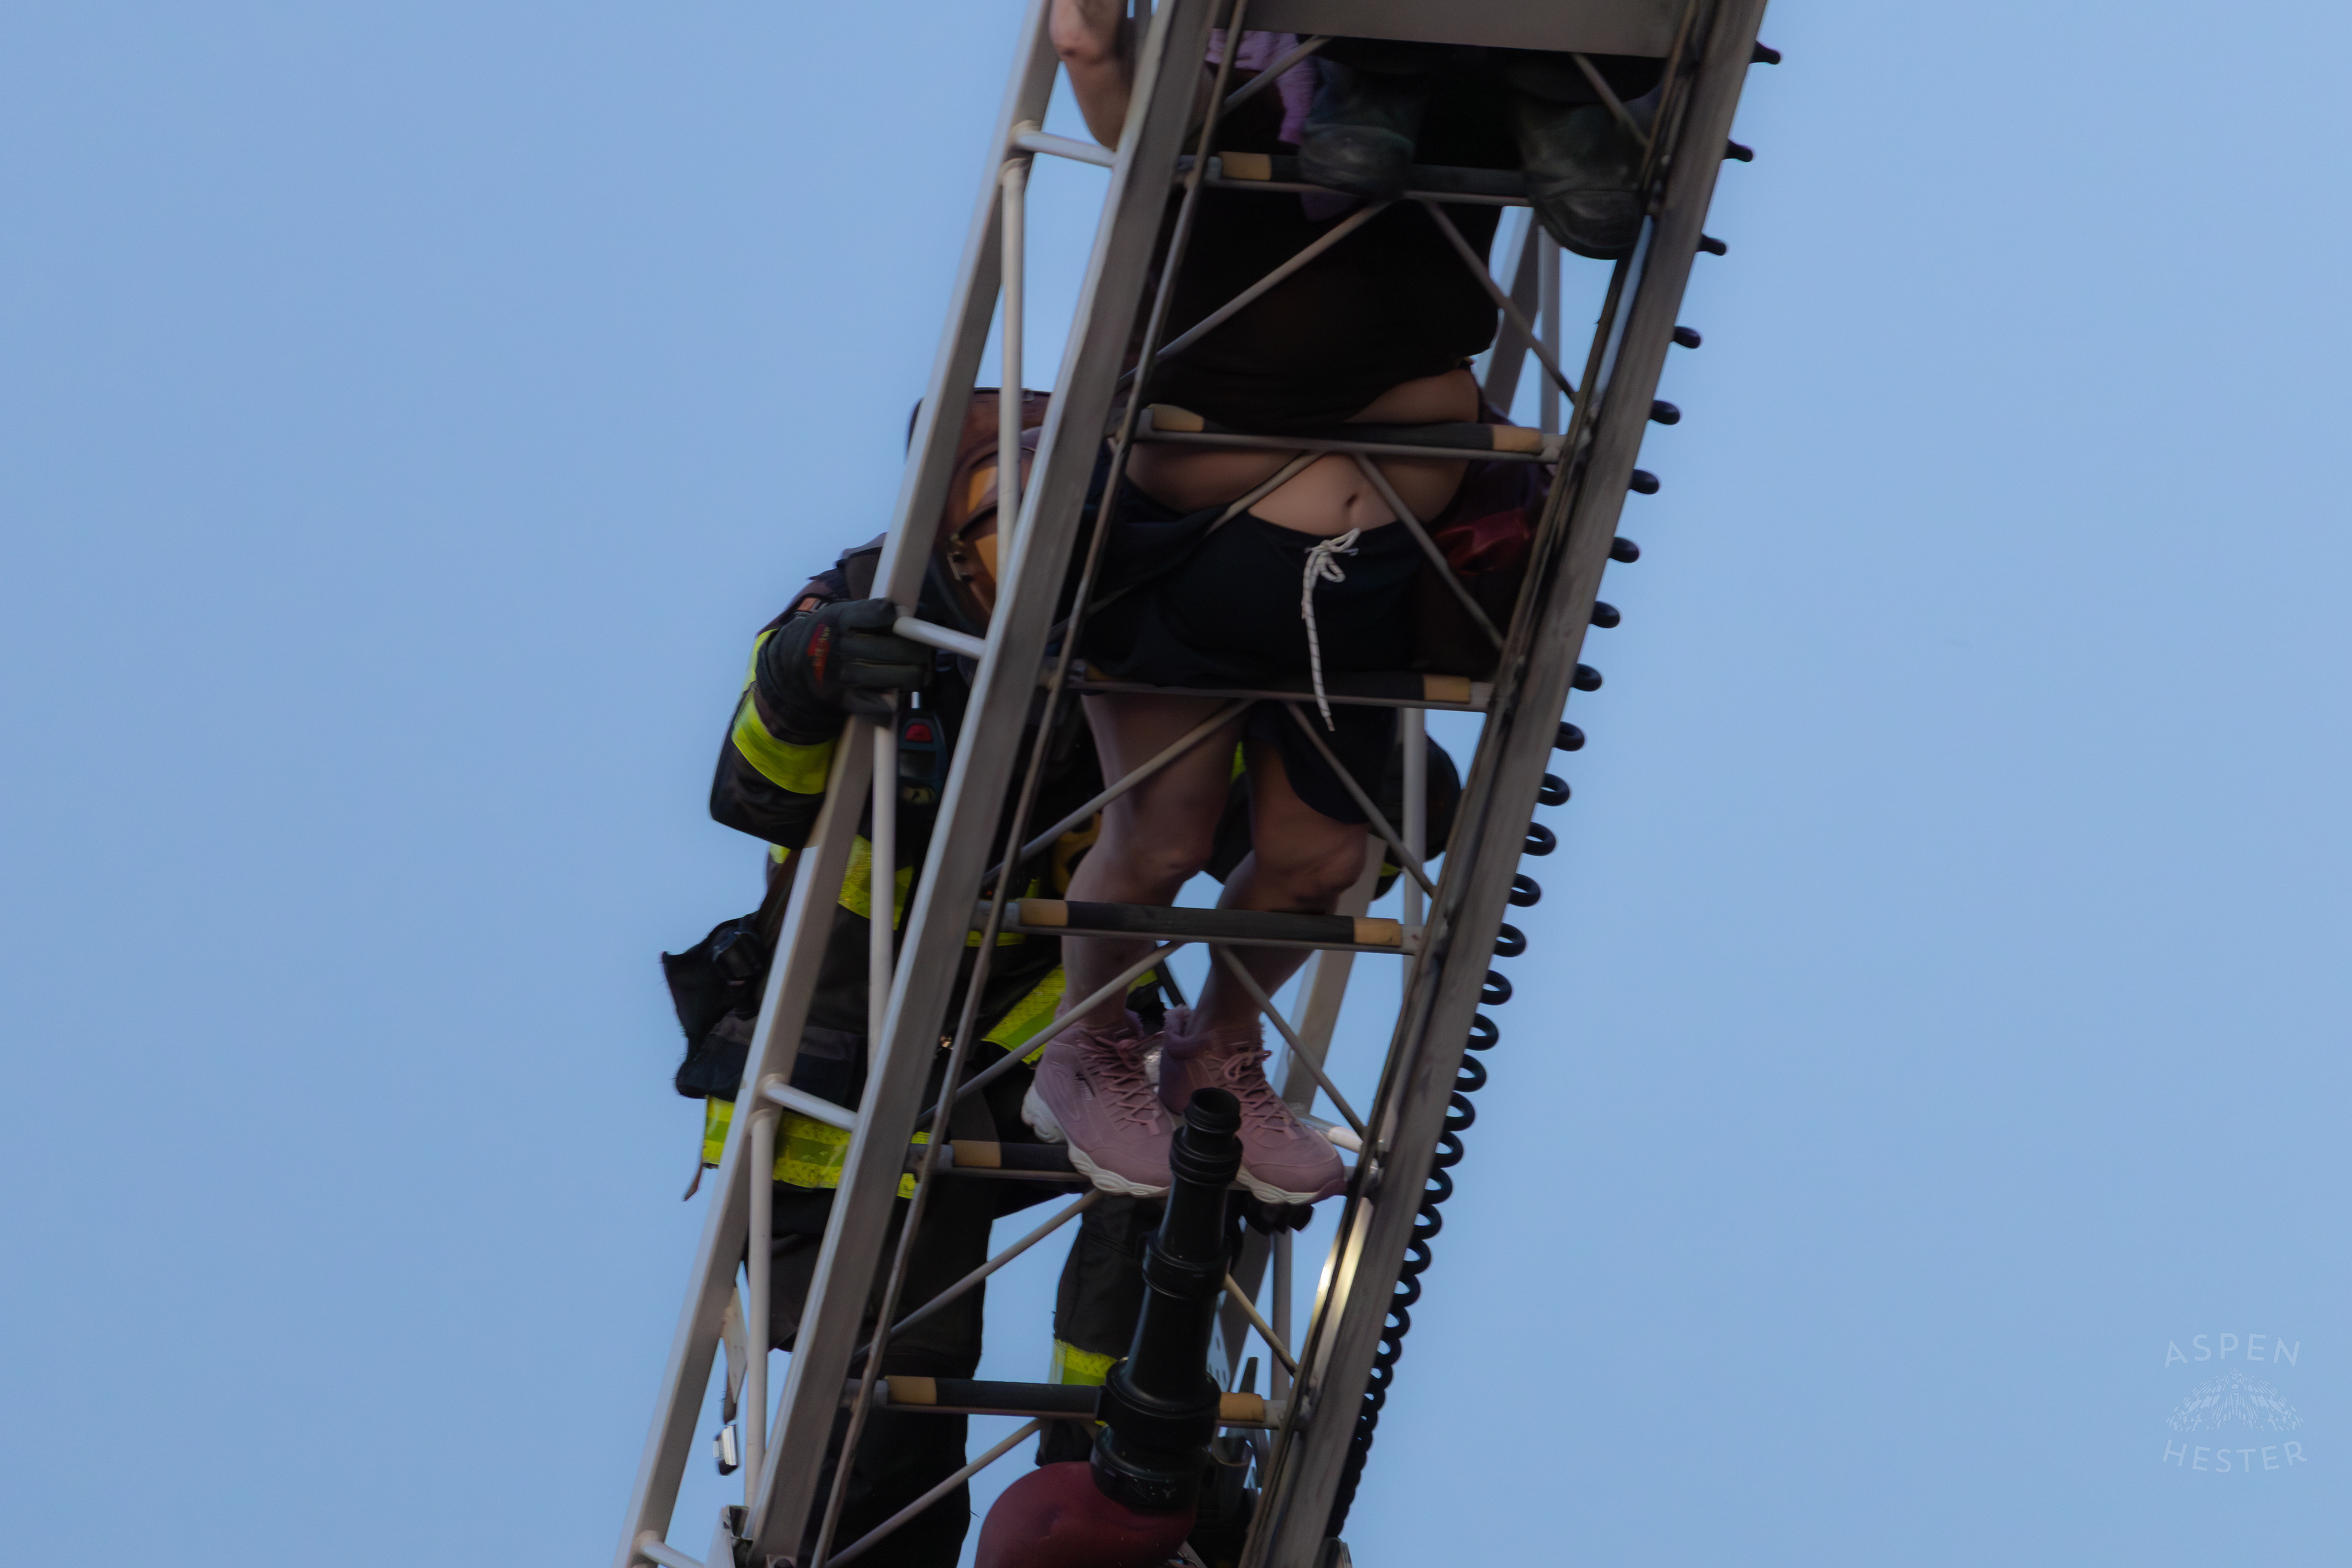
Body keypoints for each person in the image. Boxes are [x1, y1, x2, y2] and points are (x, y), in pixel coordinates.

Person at [1022, 6, 1552, 1212]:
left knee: (1321, 862)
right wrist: (1097, 46)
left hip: (1355, 592)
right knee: (1160, 841)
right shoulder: (1236, 79)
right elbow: (1105, 80)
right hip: (1193, 566)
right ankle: (1090, 1049)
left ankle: (1216, 1053)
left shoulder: (1420, 78)